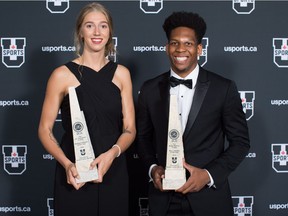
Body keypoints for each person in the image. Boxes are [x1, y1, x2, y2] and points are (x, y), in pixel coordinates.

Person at [136, 11, 250, 216]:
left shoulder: (223, 88)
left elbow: (240, 142)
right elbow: (142, 138)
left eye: (188, 43)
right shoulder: (149, 89)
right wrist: (153, 169)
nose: (180, 49)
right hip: (163, 201)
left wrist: (208, 175)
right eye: (174, 43)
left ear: (199, 49)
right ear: (166, 48)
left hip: (209, 200)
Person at [38, 2, 136, 215]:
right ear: (80, 32)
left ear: (110, 32)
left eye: (103, 26)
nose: (97, 32)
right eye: (90, 26)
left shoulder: (122, 74)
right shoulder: (61, 75)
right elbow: (45, 130)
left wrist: (113, 153)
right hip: (75, 171)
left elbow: (129, 129)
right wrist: (67, 164)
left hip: (114, 170)